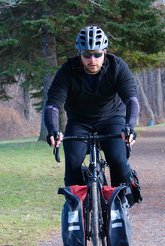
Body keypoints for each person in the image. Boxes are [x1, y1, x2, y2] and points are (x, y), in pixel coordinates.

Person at [44, 26, 139, 187]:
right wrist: (53, 129)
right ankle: (76, 207)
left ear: (105, 52)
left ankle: (120, 203)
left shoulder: (117, 67)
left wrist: (129, 126)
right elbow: (52, 106)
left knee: (117, 159)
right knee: (73, 160)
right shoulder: (67, 70)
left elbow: (131, 100)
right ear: (79, 53)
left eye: (97, 54)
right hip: (79, 122)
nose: (92, 60)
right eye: (87, 55)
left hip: (112, 119)